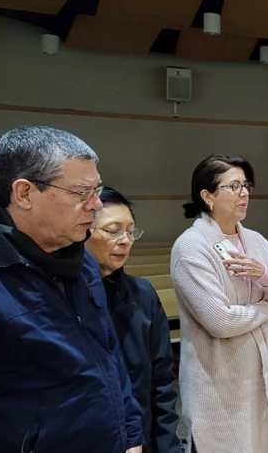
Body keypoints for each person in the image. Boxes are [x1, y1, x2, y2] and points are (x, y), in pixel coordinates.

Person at [0, 125, 143, 452]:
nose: (96, 205)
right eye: (81, 193)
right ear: (24, 193)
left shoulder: (81, 261)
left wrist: (131, 435)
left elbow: (108, 354)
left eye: (97, 190)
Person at [171, 155, 268, 453]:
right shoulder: (191, 246)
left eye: (246, 186)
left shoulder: (256, 241)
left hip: (262, 374)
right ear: (208, 196)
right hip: (220, 382)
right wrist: (267, 308)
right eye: (234, 186)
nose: (244, 193)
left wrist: (264, 275)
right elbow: (221, 322)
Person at [85, 186, 182, 453]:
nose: (125, 240)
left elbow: (162, 383)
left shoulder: (142, 294)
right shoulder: (63, 297)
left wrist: (167, 447)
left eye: (130, 231)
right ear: (82, 231)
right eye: (113, 230)